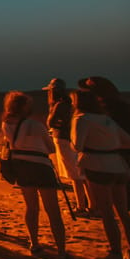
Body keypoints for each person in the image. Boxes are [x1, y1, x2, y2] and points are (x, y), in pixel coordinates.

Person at [71, 88, 130, 259]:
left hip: (97, 166)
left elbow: (77, 145)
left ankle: (115, 253)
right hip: (117, 165)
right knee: (123, 212)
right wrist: (110, 147)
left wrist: (97, 148)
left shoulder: (81, 119)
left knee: (107, 212)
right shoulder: (106, 119)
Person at [0, 91, 67, 259]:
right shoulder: (36, 125)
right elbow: (50, 148)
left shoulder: (6, 124)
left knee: (31, 207)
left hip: (21, 166)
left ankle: (34, 244)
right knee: (53, 210)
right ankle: (61, 250)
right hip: (41, 167)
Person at [80, 76, 130, 218]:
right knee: (124, 206)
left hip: (121, 160)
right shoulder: (109, 110)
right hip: (118, 160)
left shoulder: (113, 111)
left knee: (127, 203)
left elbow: (128, 137)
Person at [43, 77, 92, 217]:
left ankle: (81, 207)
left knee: (75, 175)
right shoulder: (71, 103)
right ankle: (92, 205)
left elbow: (50, 122)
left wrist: (56, 125)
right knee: (80, 174)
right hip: (73, 139)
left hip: (63, 140)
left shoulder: (59, 104)